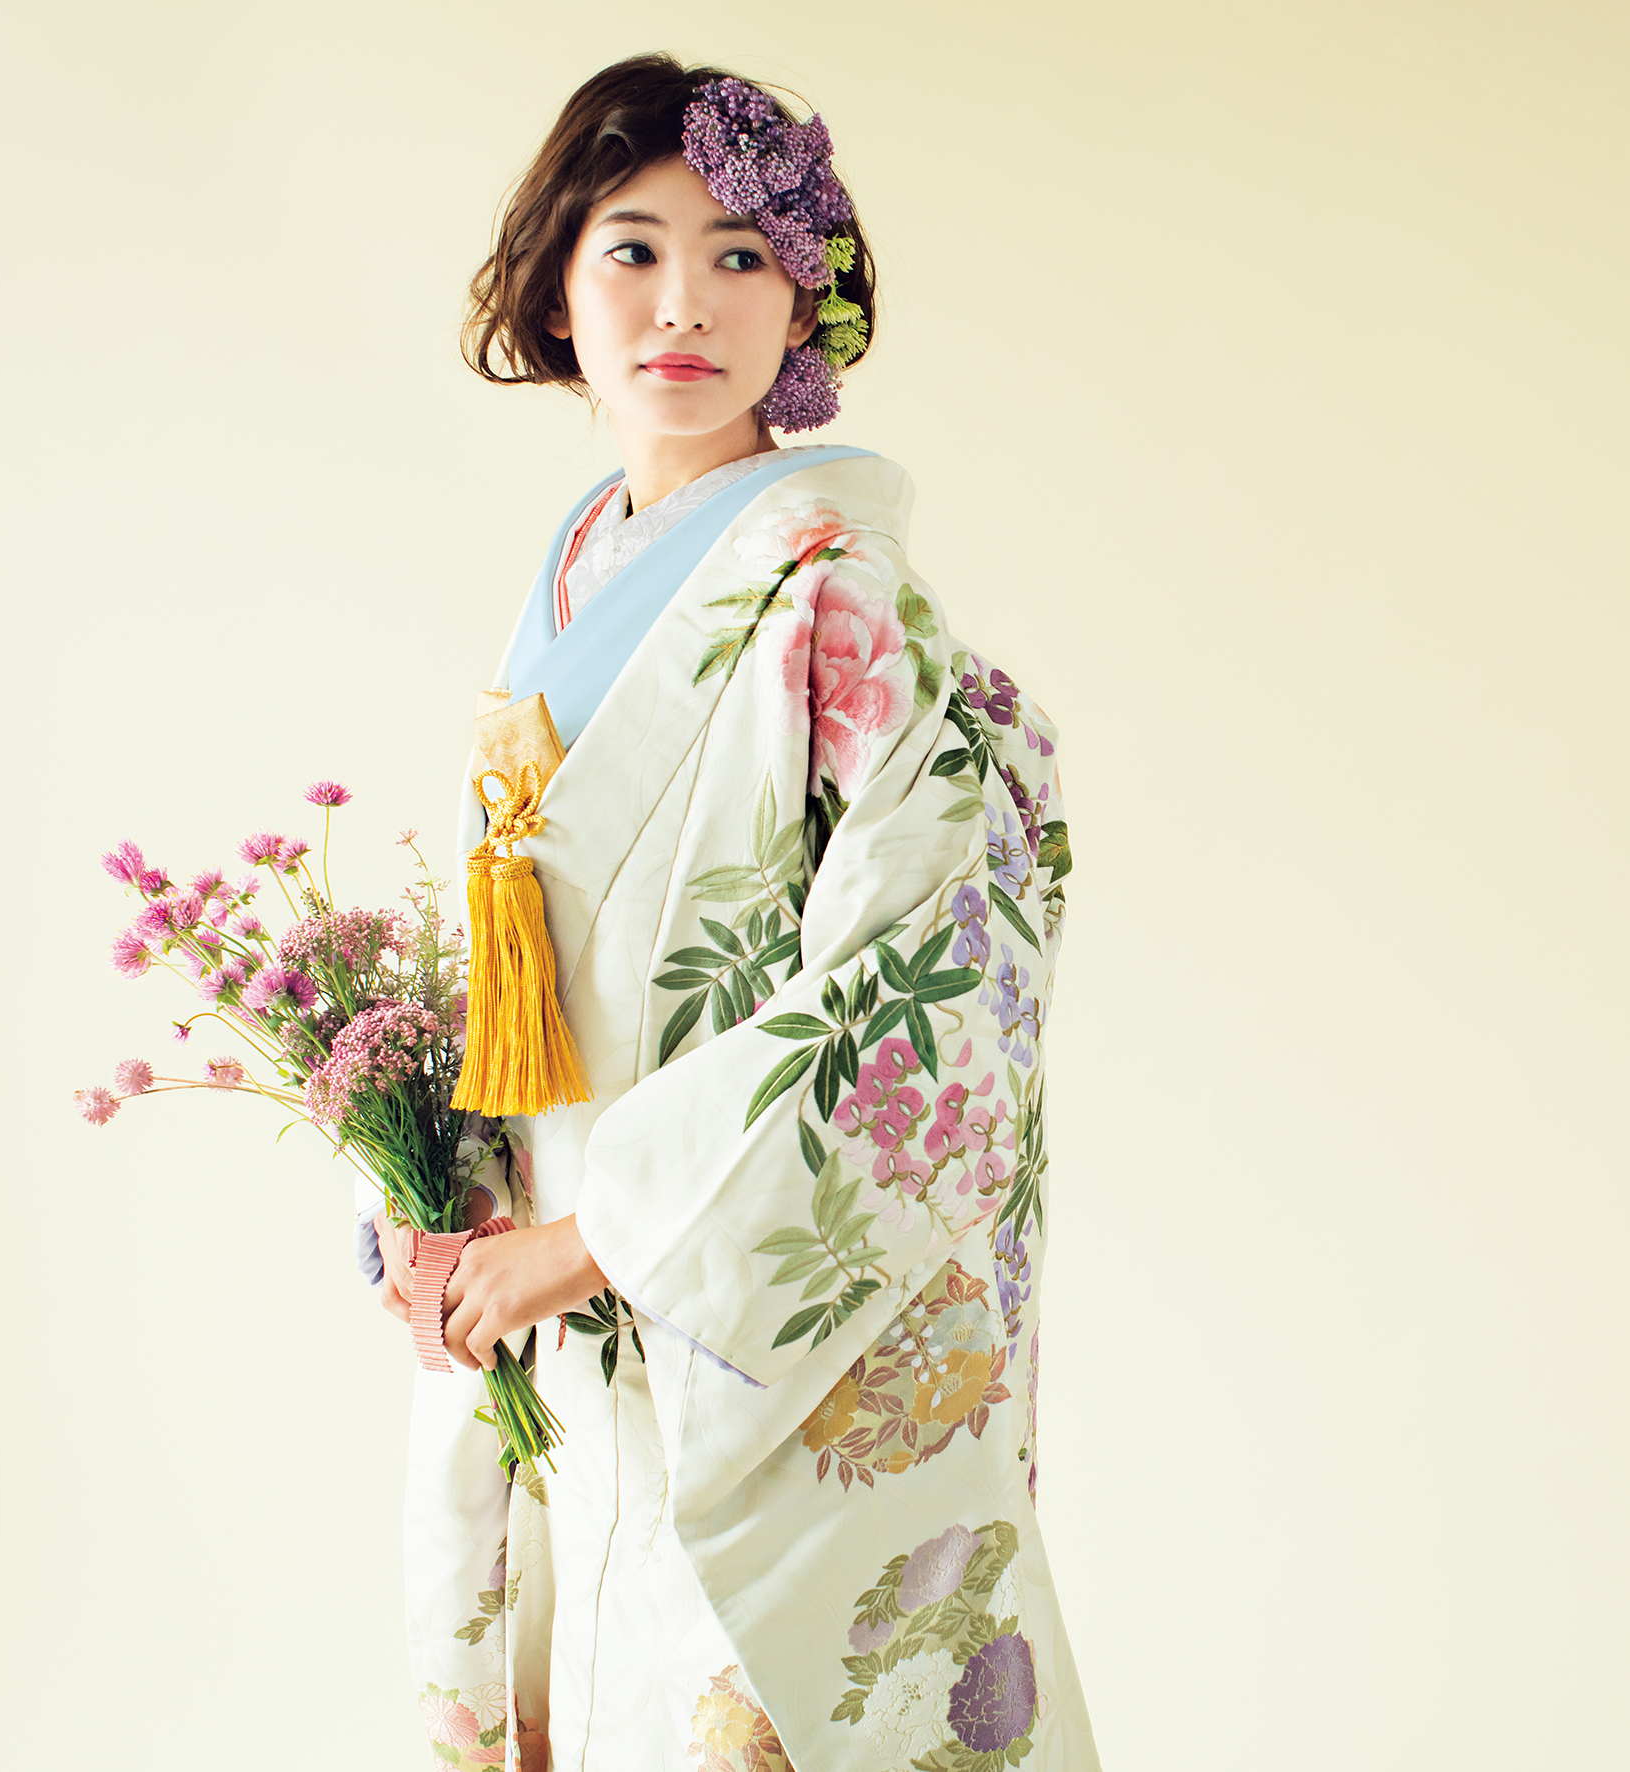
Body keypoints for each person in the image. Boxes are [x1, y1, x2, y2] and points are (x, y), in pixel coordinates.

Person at [366, 54, 1097, 1772]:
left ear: (802, 304)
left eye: (741, 256)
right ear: (557, 287)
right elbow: (525, 964)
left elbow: (927, 980)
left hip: (728, 1309)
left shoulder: (843, 597)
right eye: (631, 249)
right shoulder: (582, 569)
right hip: (564, 1282)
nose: (683, 303)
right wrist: (432, 1191)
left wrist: (602, 1237)